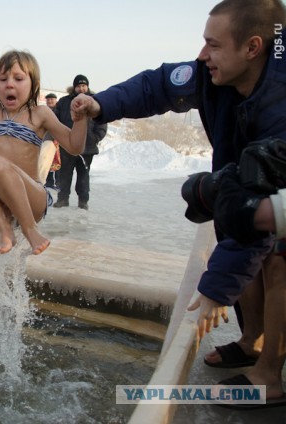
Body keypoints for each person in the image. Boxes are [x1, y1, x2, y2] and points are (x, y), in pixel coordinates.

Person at [72, 0, 286, 403]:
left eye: (213, 45)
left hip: (280, 181)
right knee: (229, 221)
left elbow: (256, 209)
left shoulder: (280, 102)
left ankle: (269, 376)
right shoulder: (214, 73)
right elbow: (158, 85)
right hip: (250, 171)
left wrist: (215, 290)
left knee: (276, 257)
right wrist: (102, 104)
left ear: (253, 47)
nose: (202, 55)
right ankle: (251, 339)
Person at [0, 45, 87, 255]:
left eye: (18, 79)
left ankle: (31, 231)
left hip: (32, 199)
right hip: (1, 197)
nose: (10, 84)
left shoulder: (40, 113)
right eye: (3, 80)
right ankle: (4, 229)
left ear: (33, 84)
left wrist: (81, 119)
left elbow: (74, 147)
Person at [52, 75, 107, 210]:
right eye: (78, 86)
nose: (81, 88)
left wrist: (94, 138)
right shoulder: (64, 102)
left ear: (87, 86)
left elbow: (102, 124)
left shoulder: (94, 102)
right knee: (65, 173)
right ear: (74, 87)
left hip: (87, 148)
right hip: (67, 145)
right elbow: (54, 119)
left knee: (83, 175)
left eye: (84, 86)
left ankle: (83, 201)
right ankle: (62, 199)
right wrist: (59, 136)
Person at [43, 92, 60, 190]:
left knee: (58, 162)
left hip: (59, 140)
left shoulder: (59, 110)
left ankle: (59, 183)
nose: (50, 101)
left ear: (55, 100)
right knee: (47, 161)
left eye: (52, 99)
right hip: (47, 139)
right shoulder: (44, 111)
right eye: (48, 99)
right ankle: (49, 182)